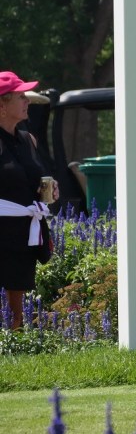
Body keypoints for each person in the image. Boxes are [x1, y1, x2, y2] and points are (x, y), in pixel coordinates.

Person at [0, 71, 58, 330]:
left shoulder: (28, 139)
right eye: (21, 97)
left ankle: (15, 346)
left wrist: (50, 191)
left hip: (23, 233)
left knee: (16, 313)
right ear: (2, 105)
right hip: (2, 233)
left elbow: (33, 180)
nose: (27, 101)